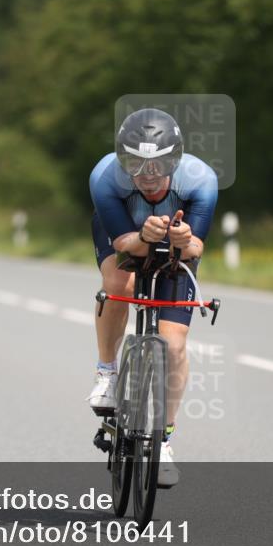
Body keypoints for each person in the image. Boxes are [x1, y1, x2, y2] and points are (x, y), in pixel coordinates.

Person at [88, 108, 218, 487]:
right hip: (127, 235)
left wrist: (183, 241)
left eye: (158, 164)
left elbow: (196, 248)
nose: (147, 175)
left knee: (174, 345)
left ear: (174, 160)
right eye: (135, 164)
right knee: (120, 285)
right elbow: (124, 245)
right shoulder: (105, 177)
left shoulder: (200, 180)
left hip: (176, 246)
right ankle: (107, 372)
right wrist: (144, 236)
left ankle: (163, 440)